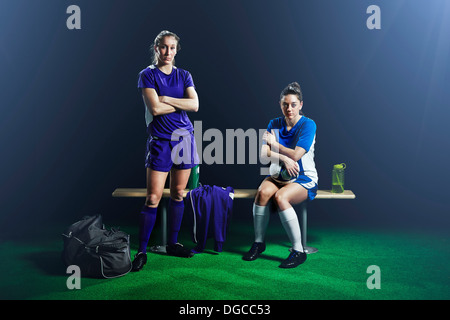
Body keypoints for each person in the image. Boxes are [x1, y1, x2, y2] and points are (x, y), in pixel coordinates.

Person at [132, 30, 200, 271]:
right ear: (156, 48)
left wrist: (166, 98)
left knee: (179, 193)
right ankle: (141, 250)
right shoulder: (147, 75)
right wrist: (175, 102)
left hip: (185, 140)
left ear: (176, 50)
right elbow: (156, 109)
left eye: (172, 48)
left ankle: (172, 243)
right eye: (163, 47)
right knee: (153, 198)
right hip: (161, 140)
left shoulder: (184, 75)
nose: (168, 52)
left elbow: (195, 105)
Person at [243, 82, 318, 268]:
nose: (289, 108)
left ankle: (298, 251)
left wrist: (275, 146)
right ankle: (259, 243)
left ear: (301, 104)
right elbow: (263, 154)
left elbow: (297, 155)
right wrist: (282, 159)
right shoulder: (274, 123)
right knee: (262, 193)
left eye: (293, 104)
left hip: (303, 177)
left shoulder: (308, 125)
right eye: (285, 104)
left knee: (281, 197)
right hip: (279, 176)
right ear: (280, 104)